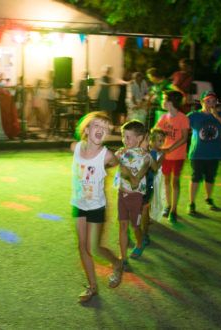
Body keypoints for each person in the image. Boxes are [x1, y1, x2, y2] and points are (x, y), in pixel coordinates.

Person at [71, 111, 123, 303]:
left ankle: (117, 263)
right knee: (82, 246)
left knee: (96, 246)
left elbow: (116, 162)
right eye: (97, 126)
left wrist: (104, 168)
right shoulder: (75, 148)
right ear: (86, 129)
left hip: (96, 206)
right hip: (78, 203)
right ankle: (92, 287)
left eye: (105, 128)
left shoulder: (107, 154)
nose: (101, 130)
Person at [187, 91, 221, 214]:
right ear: (202, 102)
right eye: (208, 101)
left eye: (213, 101)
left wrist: (217, 116)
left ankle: (208, 199)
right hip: (198, 153)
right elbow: (181, 126)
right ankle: (192, 203)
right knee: (196, 177)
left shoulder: (220, 115)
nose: (211, 104)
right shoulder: (194, 115)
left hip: (214, 153)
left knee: (210, 178)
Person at [115, 120, 152, 264]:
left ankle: (139, 242)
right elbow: (112, 160)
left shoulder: (144, 155)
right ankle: (123, 256)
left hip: (135, 197)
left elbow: (144, 169)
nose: (125, 140)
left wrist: (135, 177)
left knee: (135, 226)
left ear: (139, 138)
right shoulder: (121, 152)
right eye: (123, 136)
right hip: (121, 195)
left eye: (128, 137)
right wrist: (117, 156)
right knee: (123, 225)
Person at [156, 91, 190, 223]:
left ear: (170, 103)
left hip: (177, 156)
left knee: (174, 182)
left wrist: (169, 148)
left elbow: (184, 138)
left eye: (164, 99)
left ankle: (174, 209)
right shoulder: (163, 117)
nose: (162, 102)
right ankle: (168, 205)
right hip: (165, 156)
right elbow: (156, 131)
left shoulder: (183, 118)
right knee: (166, 181)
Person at [140, 128, 166, 246]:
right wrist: (162, 157)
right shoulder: (153, 153)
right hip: (148, 184)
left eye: (162, 141)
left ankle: (144, 227)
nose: (161, 143)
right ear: (151, 141)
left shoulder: (150, 151)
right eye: (159, 141)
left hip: (146, 184)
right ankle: (144, 232)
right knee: (145, 206)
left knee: (145, 206)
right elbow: (155, 167)